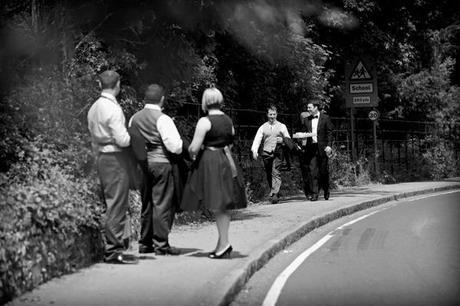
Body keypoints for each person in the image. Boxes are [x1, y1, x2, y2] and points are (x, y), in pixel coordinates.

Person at [181, 87, 247, 259]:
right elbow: (230, 141)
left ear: (205, 101)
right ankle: (222, 244)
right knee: (222, 204)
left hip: (211, 161)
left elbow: (194, 147)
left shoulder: (204, 121)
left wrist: (192, 151)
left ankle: (224, 244)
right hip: (226, 159)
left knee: (218, 204)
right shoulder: (228, 120)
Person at [87, 70, 137, 264]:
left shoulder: (94, 107)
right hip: (115, 157)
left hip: (100, 156)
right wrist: (135, 135)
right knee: (117, 203)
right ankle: (113, 251)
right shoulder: (113, 109)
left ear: (100, 85)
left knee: (110, 201)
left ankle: (114, 246)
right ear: (118, 85)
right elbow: (123, 140)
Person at [129, 84, 184, 256]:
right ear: (162, 99)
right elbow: (175, 146)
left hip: (141, 166)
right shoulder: (163, 119)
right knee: (161, 204)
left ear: (144, 99)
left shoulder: (134, 119)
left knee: (146, 204)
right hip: (161, 164)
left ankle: (145, 243)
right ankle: (161, 244)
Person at [250, 105, 291, 204]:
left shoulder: (282, 126)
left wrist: (283, 140)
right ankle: (273, 191)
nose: (272, 116)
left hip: (278, 152)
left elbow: (289, 140)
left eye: (274, 114)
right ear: (267, 115)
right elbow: (257, 139)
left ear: (276, 114)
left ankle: (275, 194)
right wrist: (254, 151)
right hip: (266, 152)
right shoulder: (263, 127)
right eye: (270, 114)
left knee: (276, 172)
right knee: (269, 173)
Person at [297, 100, 334, 201]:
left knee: (323, 172)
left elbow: (330, 133)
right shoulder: (306, 120)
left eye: (310, 107)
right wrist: (300, 136)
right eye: (308, 108)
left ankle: (326, 190)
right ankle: (315, 194)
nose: (308, 109)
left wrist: (329, 146)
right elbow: (303, 132)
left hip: (323, 148)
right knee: (313, 172)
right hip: (311, 148)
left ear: (316, 107)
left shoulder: (325, 118)